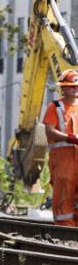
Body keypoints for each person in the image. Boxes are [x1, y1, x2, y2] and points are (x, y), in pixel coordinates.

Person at [43, 70, 78, 226]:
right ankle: (64, 228)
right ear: (62, 88)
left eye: (76, 86)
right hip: (63, 159)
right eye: (71, 86)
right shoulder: (55, 106)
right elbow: (49, 130)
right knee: (64, 190)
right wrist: (70, 138)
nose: (75, 88)